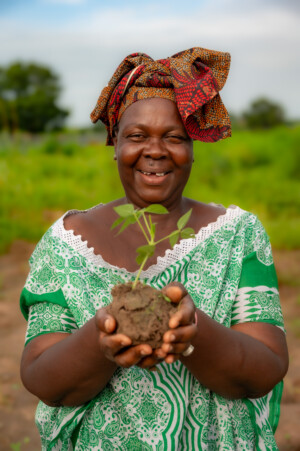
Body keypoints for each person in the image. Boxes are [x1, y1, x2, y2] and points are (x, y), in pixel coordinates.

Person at [20, 48, 288, 450]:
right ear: (115, 143)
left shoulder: (238, 234)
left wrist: (193, 334)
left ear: (193, 150)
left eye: (174, 137)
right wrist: (100, 338)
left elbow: (267, 367)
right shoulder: (64, 244)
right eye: (137, 136)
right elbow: (43, 379)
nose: (156, 150)